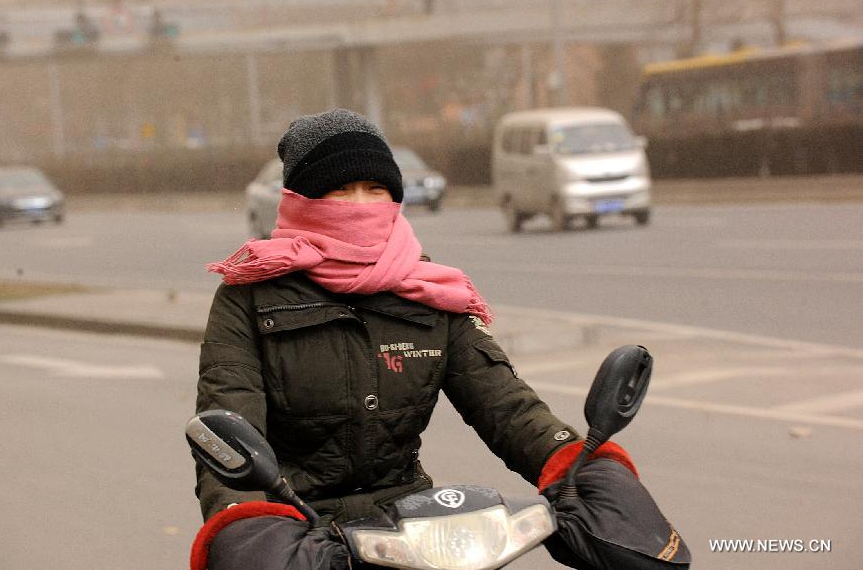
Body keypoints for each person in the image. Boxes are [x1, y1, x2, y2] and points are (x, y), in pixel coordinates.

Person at [190, 109, 689, 570]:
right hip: (301, 530)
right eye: (340, 190)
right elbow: (227, 425)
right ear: (303, 200)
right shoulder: (248, 298)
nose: (361, 205)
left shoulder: (430, 291)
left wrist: (583, 466)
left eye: (374, 187)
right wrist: (249, 523)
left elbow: (509, 408)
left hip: (409, 530)